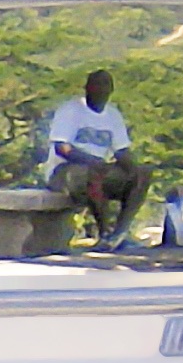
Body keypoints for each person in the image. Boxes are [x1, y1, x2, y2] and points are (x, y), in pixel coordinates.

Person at [40, 69, 144, 246]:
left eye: (106, 85)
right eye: (97, 85)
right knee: (92, 173)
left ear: (111, 90)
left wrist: (132, 169)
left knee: (142, 174)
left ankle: (119, 233)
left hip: (100, 171)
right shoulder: (70, 110)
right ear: (87, 88)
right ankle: (105, 231)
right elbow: (62, 147)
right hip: (66, 172)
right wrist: (93, 162)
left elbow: (121, 151)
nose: (101, 90)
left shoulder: (113, 115)